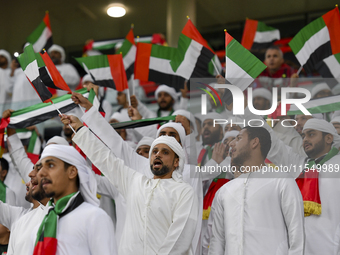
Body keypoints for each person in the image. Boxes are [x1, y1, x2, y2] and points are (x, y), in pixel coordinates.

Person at [69, 119, 199, 254]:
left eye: (165, 152)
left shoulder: (184, 191)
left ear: (176, 161)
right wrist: (80, 130)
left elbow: (180, 238)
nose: (158, 154)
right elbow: (106, 160)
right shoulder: (135, 182)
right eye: (154, 152)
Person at [208, 126, 305, 254]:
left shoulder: (282, 181)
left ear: (254, 142)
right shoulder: (224, 191)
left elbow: (296, 235)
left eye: (239, 138)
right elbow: (217, 242)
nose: (231, 144)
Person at [33, 144, 116, 254]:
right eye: (41, 167)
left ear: (72, 172)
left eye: (51, 165)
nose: (41, 173)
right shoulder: (44, 219)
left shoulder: (95, 217)